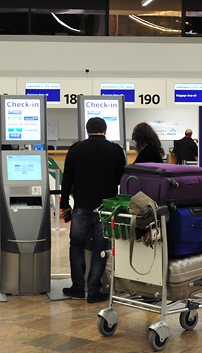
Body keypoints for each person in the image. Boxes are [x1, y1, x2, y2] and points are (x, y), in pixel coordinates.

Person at [60, 117, 126, 304]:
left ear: (87, 130)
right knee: (100, 248)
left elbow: (67, 180)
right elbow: (122, 179)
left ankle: (78, 287)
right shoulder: (116, 151)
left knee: (76, 245)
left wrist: (65, 204)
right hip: (106, 209)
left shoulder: (76, 149)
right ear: (105, 130)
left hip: (81, 207)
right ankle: (95, 289)